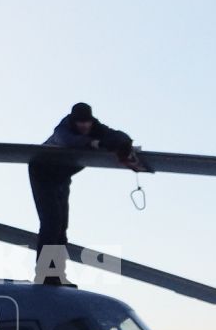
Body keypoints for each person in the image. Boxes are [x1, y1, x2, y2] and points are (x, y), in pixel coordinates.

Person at [27, 102, 140, 284]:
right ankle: (44, 275)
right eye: (80, 123)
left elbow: (115, 135)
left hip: (61, 178)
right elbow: (67, 141)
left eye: (87, 123)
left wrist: (123, 145)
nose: (84, 126)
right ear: (74, 121)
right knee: (51, 223)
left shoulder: (96, 127)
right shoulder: (63, 128)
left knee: (61, 227)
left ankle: (56, 275)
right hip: (42, 174)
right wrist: (93, 143)